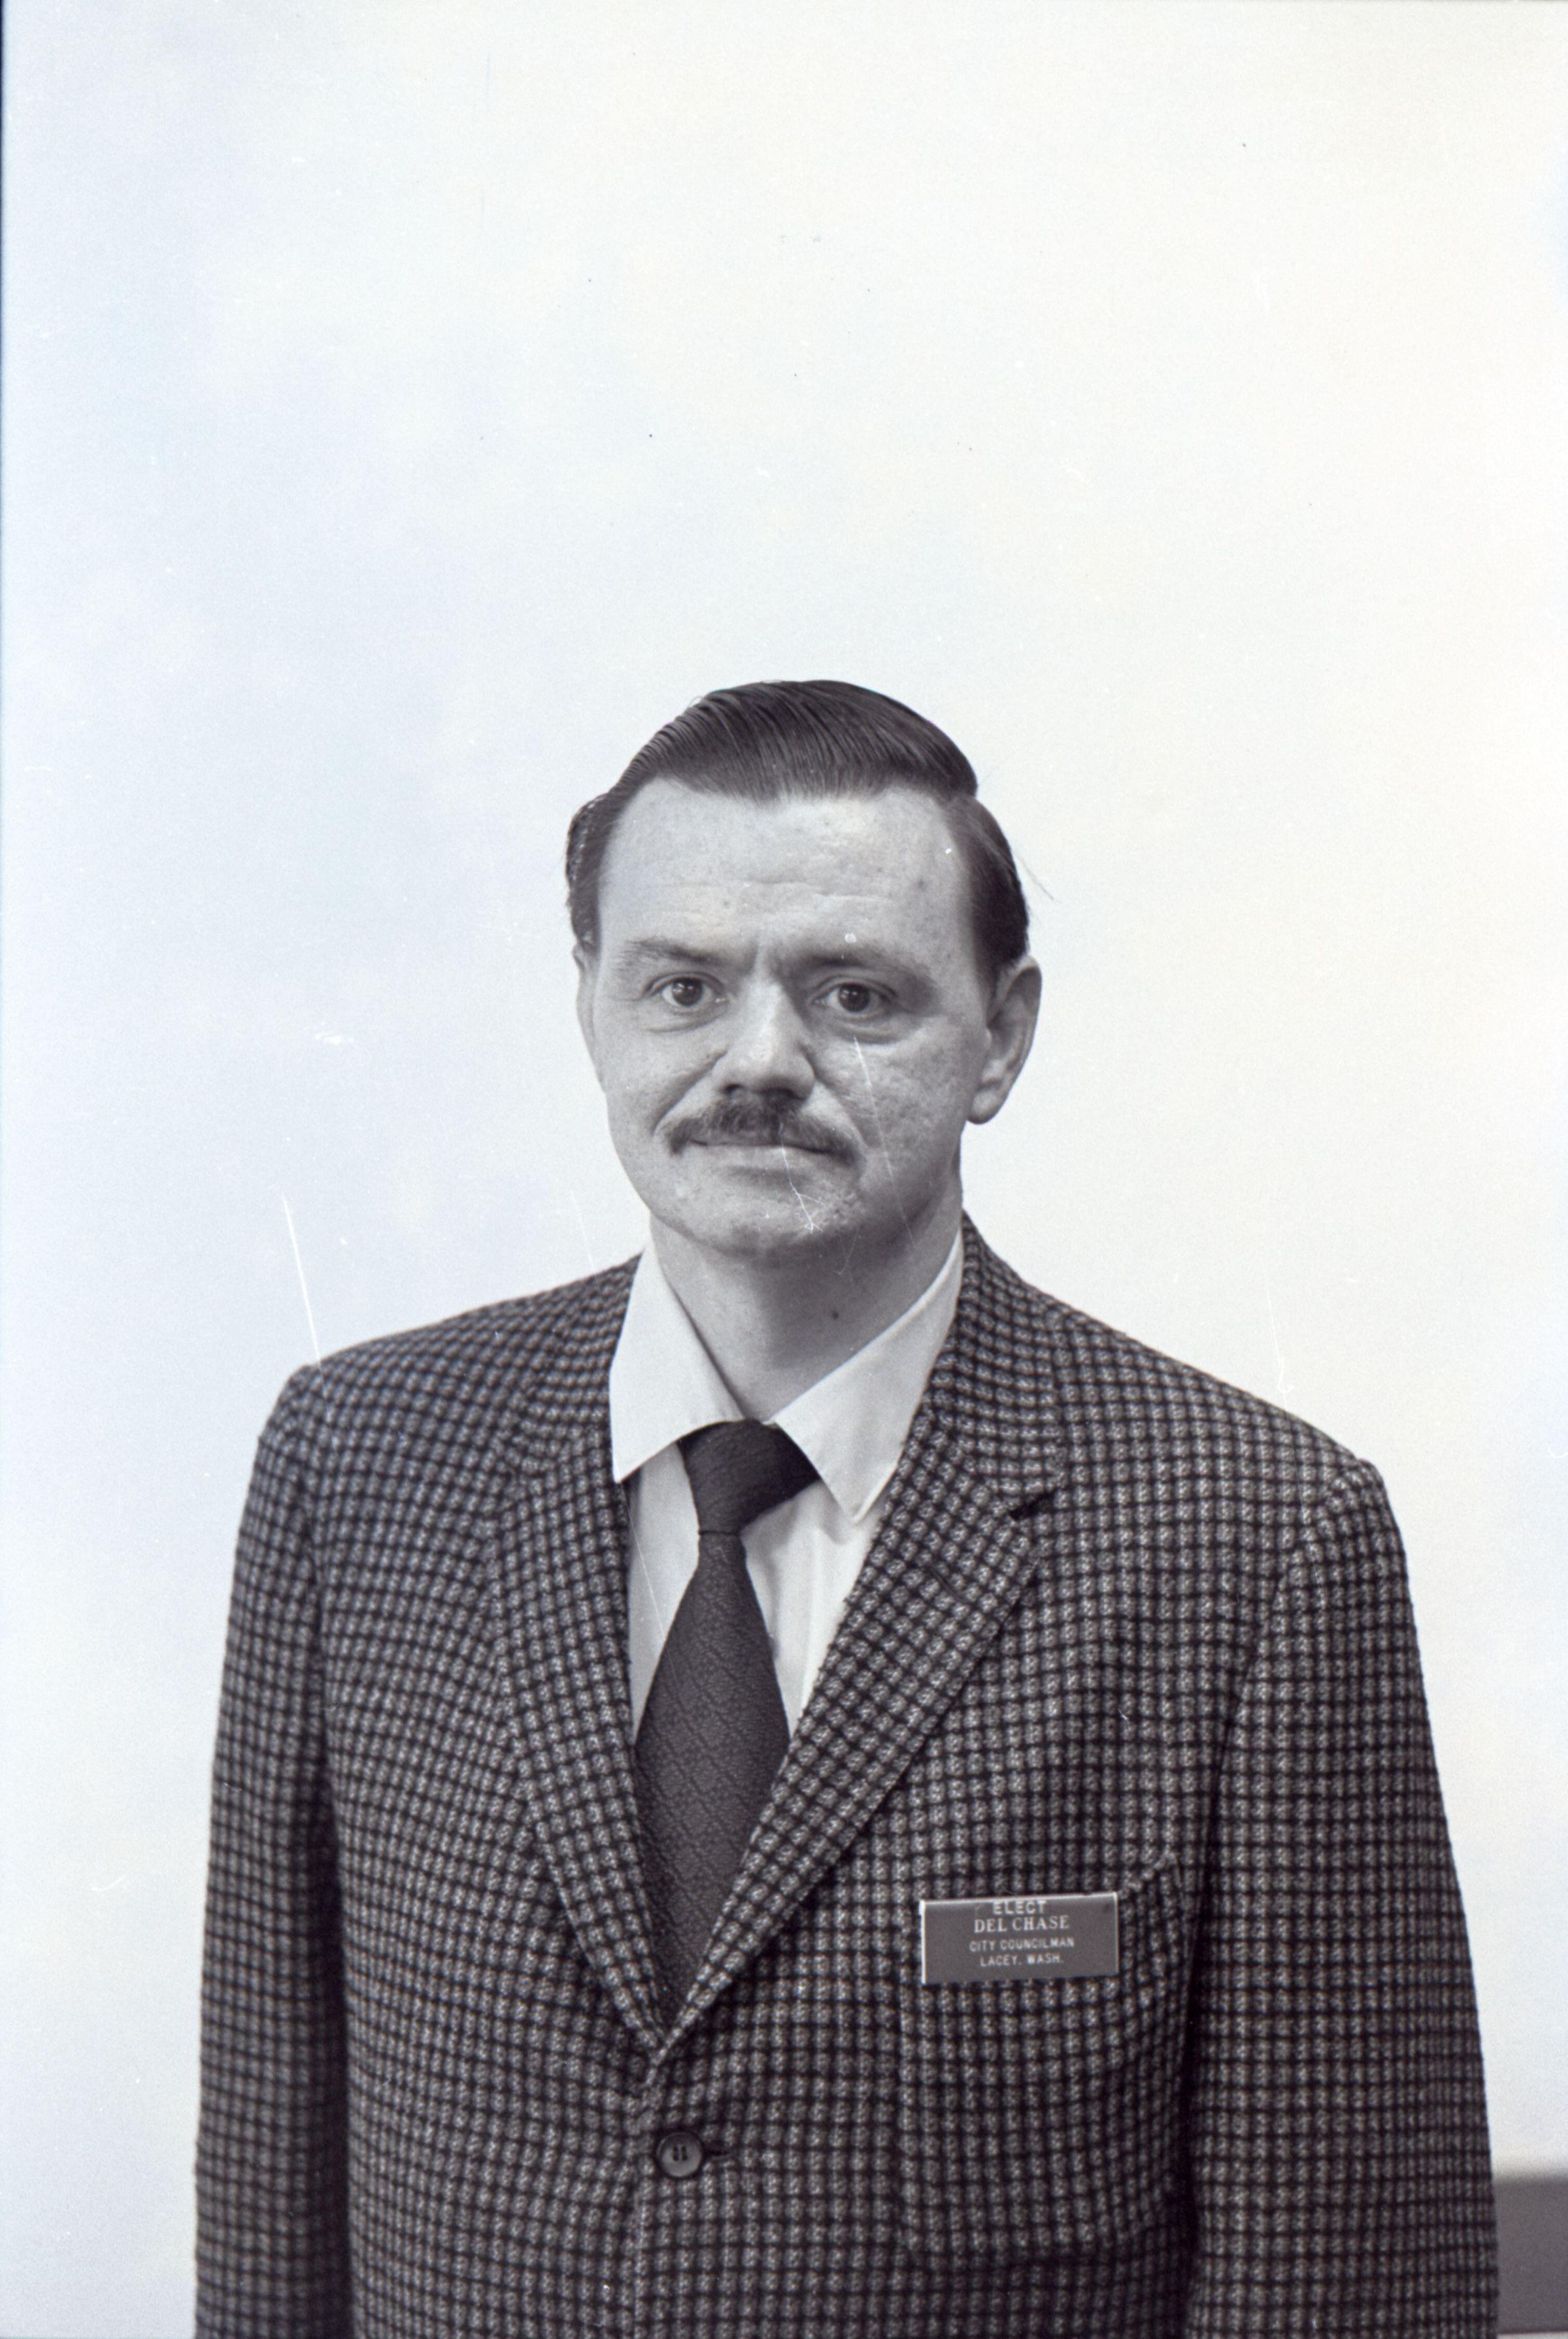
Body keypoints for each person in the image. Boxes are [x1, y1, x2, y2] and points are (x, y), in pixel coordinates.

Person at [195, 679, 1496, 2337]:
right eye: (682, 986)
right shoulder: (357, 1462)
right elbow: (271, 2177)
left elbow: (1350, 2280)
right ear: (592, 1007)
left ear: (1002, 1037)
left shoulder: (1256, 1541)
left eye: (856, 994)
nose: (758, 1061)